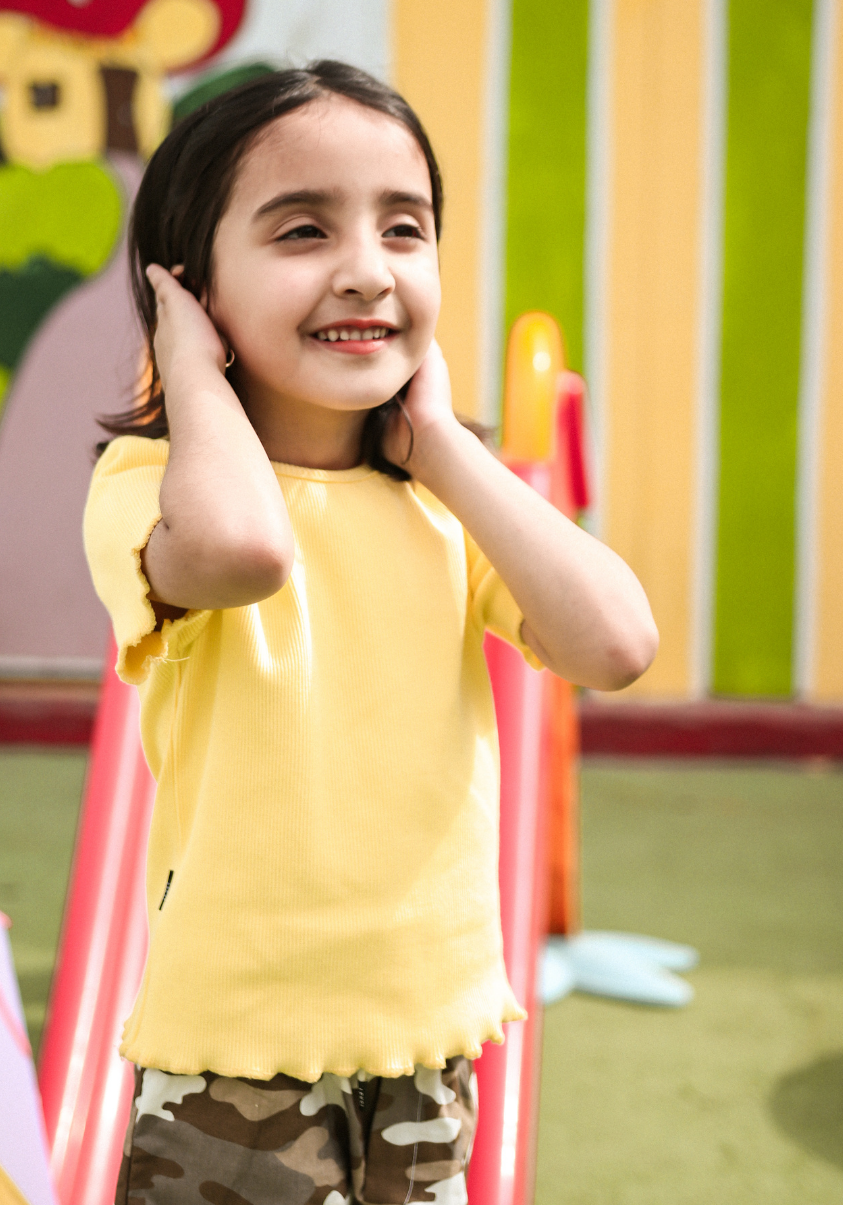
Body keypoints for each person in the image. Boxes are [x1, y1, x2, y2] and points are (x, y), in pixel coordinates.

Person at [84, 61, 658, 1205]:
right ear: (191, 289)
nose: (366, 271)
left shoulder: (446, 501)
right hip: (236, 1056)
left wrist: (443, 445)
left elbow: (615, 643)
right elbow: (248, 551)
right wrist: (186, 365)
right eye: (303, 230)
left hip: (424, 1039)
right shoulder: (150, 485)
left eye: (405, 229)